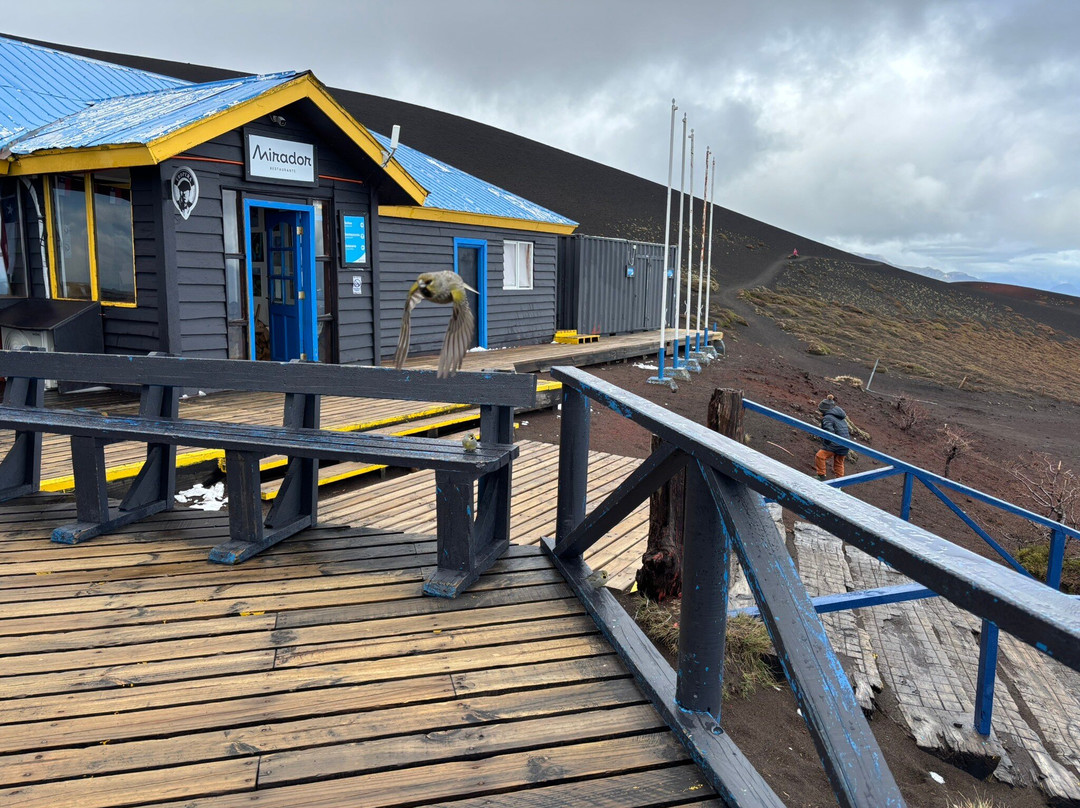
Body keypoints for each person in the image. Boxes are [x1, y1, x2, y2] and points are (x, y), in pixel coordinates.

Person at [815, 394, 850, 479]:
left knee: (820, 456)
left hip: (835, 443)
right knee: (839, 463)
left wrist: (826, 444)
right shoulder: (840, 417)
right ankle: (839, 483)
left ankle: (821, 476)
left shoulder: (827, 418)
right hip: (846, 444)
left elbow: (829, 431)